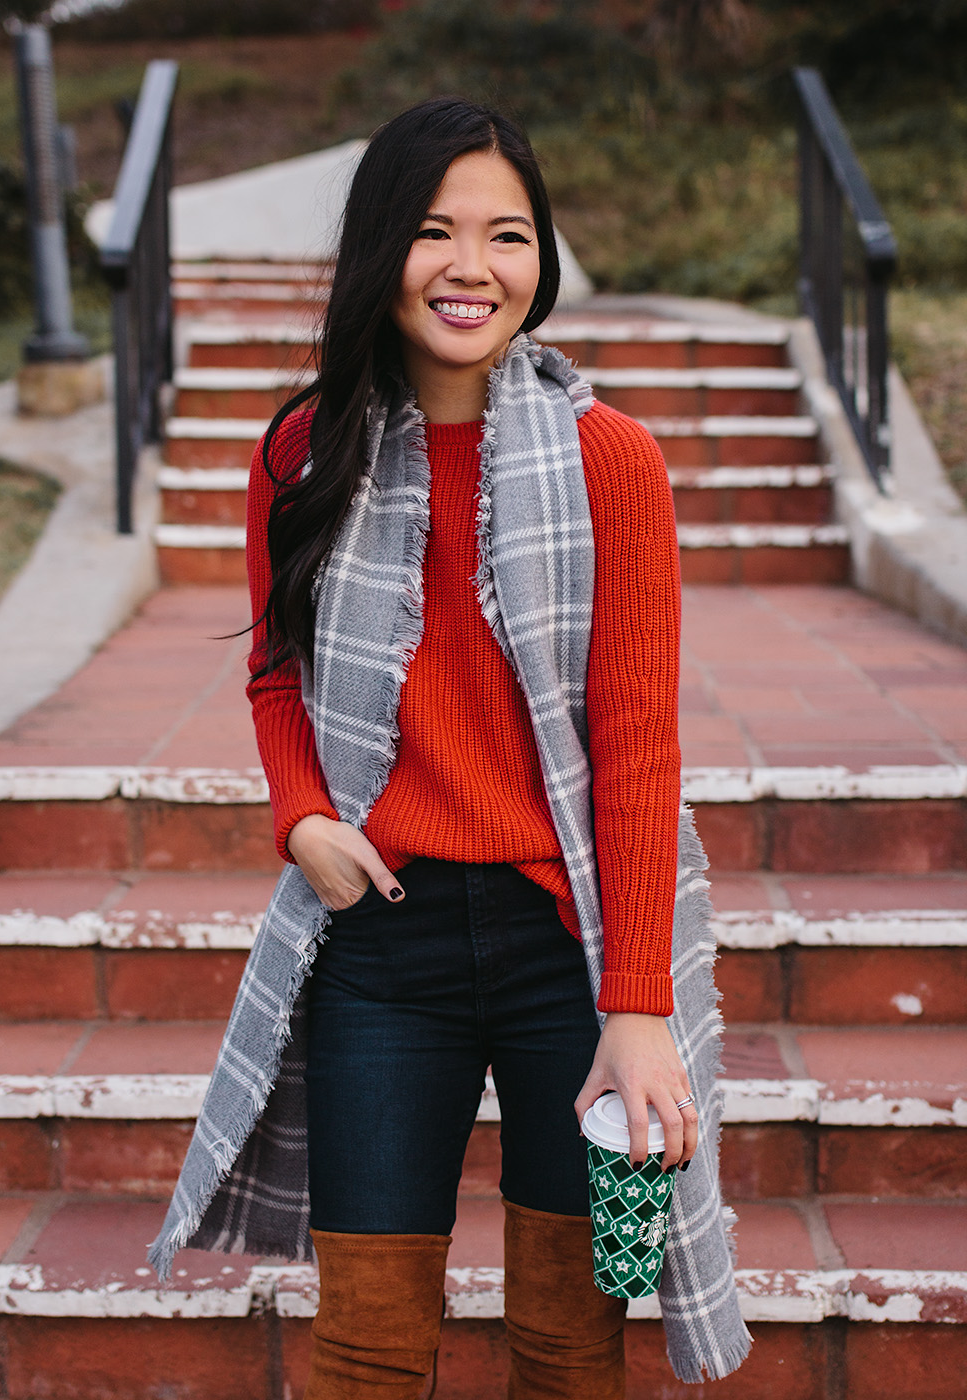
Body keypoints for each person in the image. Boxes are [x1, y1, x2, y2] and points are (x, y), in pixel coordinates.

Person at [149, 95, 751, 1398]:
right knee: (366, 1345)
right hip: (382, 940)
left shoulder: (615, 463)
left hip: (569, 948)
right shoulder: (306, 454)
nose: (473, 268)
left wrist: (638, 1009)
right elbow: (276, 669)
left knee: (569, 1339)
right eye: (435, 231)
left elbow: (637, 749)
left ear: (543, 258)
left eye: (509, 236)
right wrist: (303, 814)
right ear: (382, 248)